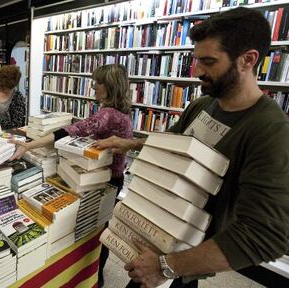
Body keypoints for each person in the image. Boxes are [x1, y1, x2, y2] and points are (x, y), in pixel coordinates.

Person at [94, 7, 289, 288]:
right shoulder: (202, 105)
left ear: (248, 60)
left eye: (208, 61)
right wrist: (131, 143)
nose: (197, 71)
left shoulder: (270, 130)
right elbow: (172, 146)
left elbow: (266, 236)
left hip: (187, 254)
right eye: (196, 59)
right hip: (163, 233)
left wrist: (167, 266)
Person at [10, 63, 133, 286]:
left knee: (96, 229)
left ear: (110, 85)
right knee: (101, 226)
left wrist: (29, 146)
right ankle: (96, 273)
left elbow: (76, 130)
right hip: (111, 176)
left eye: (98, 82)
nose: (93, 87)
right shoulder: (121, 111)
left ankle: (95, 275)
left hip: (104, 180)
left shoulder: (109, 114)